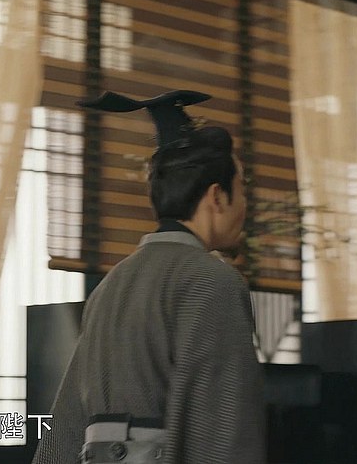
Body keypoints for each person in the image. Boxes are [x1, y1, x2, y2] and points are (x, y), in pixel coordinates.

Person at [31, 90, 265, 464]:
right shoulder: (212, 280)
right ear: (217, 196)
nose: (245, 205)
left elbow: (66, 427)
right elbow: (225, 431)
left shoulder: (111, 285)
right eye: (242, 189)